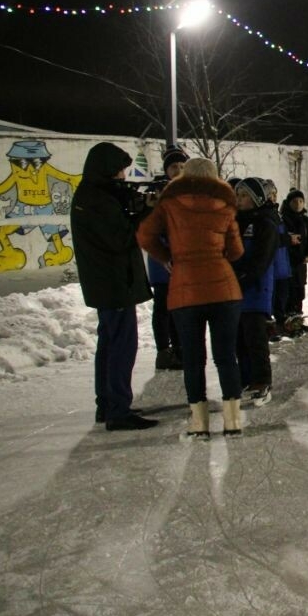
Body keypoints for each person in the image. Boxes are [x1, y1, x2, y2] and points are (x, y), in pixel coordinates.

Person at [136, 157, 243, 437]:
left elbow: (145, 235)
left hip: (186, 289)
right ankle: (233, 422)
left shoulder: (169, 203)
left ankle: (199, 424)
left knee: (194, 360)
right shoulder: (226, 204)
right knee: (226, 357)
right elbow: (237, 251)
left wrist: (167, 258)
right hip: (224, 289)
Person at [73, 142, 157, 431]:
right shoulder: (97, 200)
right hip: (113, 283)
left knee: (109, 344)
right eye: (120, 170)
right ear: (108, 170)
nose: (123, 176)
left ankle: (108, 404)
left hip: (107, 283)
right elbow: (121, 238)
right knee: (122, 345)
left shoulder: (93, 195)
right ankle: (118, 409)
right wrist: (145, 214)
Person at [232, 177, 279, 405]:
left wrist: (243, 277)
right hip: (236, 289)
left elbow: (261, 260)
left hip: (255, 289)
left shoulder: (265, 222)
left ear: (255, 199)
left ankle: (262, 380)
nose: (238, 200)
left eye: (243, 196)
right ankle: (245, 379)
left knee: (255, 338)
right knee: (239, 338)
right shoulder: (237, 220)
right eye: (237, 195)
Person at [142, 145, 188, 371]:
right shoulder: (157, 191)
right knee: (162, 305)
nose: (178, 170)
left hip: (183, 257)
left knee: (180, 306)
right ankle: (164, 350)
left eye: (181, 166)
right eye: (173, 166)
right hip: (162, 257)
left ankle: (180, 348)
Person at [261, 180, 292, 340]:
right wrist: (286, 239)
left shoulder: (276, 213)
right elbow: (270, 238)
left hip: (281, 262)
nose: (272, 197)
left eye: (274, 194)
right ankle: (269, 325)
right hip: (272, 262)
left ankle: (280, 322)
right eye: (269, 194)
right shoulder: (264, 214)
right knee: (270, 295)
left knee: (281, 294)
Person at [281, 189, 308, 335]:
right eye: (295, 201)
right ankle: (289, 322)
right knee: (289, 292)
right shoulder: (284, 220)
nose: (298, 204)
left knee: (300, 291)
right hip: (289, 262)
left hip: (301, 263)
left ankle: (298, 319)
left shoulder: (305, 220)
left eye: (300, 201)